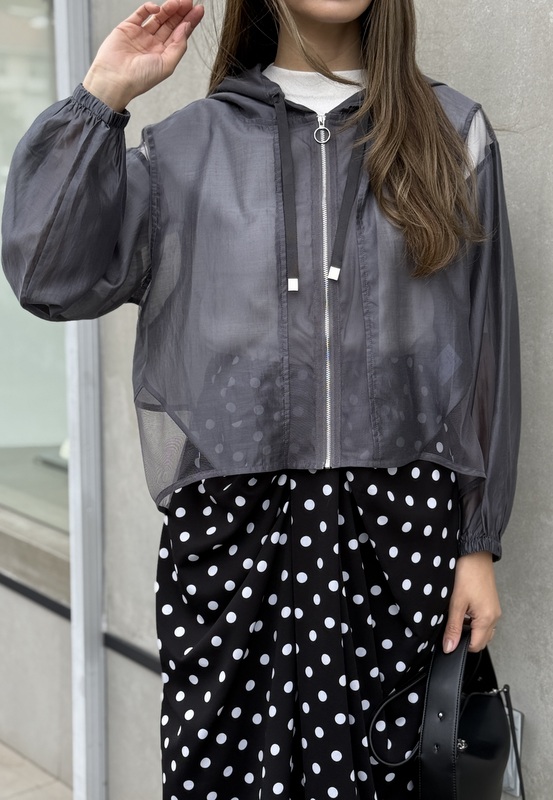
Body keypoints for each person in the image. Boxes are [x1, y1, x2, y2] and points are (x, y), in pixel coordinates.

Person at [1, 0, 520, 797]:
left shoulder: (451, 133)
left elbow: (484, 348)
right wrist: (102, 96)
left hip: (397, 543)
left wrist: (474, 540)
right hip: (232, 545)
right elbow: (47, 276)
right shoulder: (183, 149)